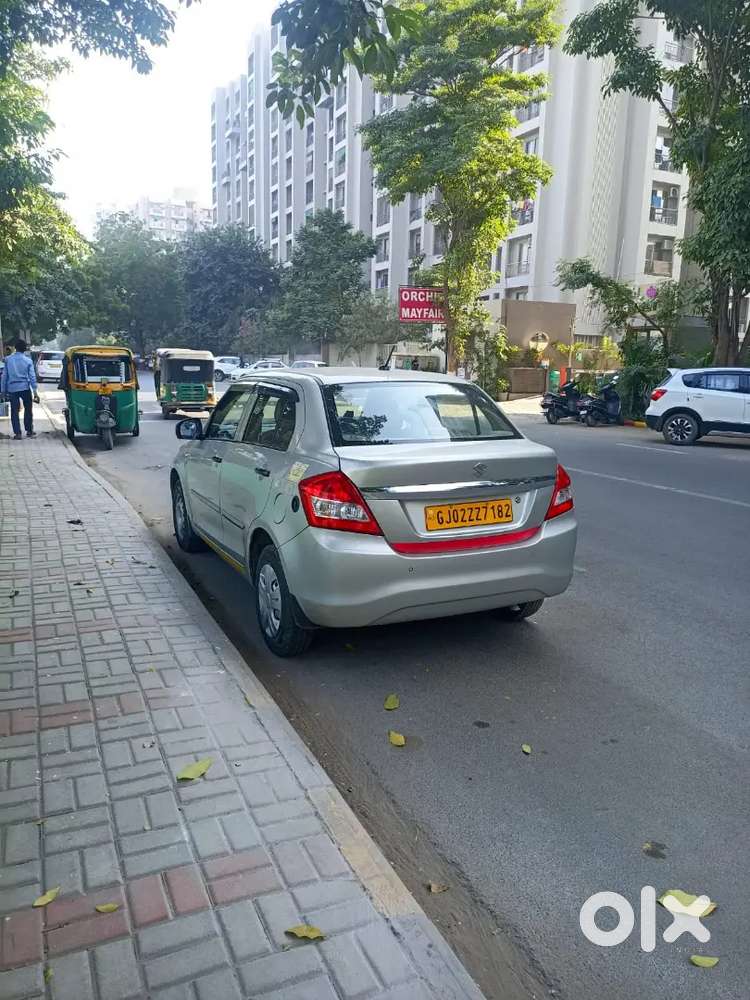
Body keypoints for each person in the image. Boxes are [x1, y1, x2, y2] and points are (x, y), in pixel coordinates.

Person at [0, 340, 39, 439]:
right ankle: (29, 431)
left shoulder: (8, 360)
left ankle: (17, 434)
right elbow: (32, 377)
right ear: (25, 349)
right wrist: (35, 392)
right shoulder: (28, 361)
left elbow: (4, 376)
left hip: (12, 389)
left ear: (15, 348)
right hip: (25, 388)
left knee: (14, 411)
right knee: (28, 410)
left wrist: (3, 391)